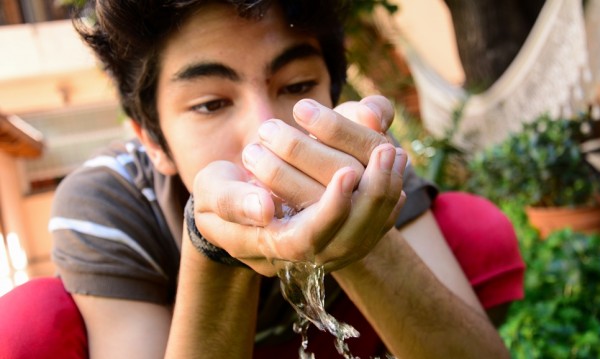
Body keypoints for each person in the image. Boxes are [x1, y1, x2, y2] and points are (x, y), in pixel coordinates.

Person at [46, 1, 523, 358]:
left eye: (296, 87)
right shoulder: (109, 202)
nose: (265, 133)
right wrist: (210, 245)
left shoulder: (362, 159)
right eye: (211, 103)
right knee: (30, 324)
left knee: (470, 226)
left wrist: (349, 217)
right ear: (152, 141)